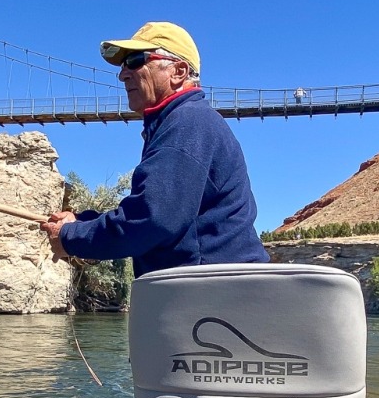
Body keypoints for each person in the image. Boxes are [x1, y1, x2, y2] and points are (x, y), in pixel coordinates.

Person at [41, 21, 269, 277]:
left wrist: (71, 237)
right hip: (211, 293)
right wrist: (85, 223)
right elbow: (153, 215)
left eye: (137, 60)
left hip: (211, 294)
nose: (123, 74)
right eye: (123, 65)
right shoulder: (184, 122)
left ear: (179, 71)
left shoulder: (187, 122)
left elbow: (152, 221)